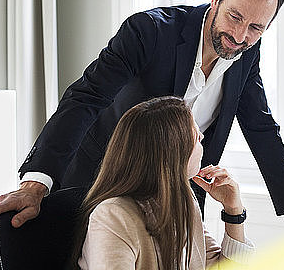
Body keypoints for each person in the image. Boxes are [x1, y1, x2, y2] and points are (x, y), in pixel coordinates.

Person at [0, 0, 284, 233]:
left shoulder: (247, 52)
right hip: (104, 182)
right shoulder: (149, 31)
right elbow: (86, 98)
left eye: (255, 28)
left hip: (175, 196)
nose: (240, 36)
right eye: (235, 17)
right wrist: (36, 183)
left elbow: (261, 128)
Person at [73, 96, 254, 269]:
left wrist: (233, 211)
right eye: (194, 134)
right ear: (173, 153)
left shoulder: (185, 201)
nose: (202, 137)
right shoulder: (113, 216)